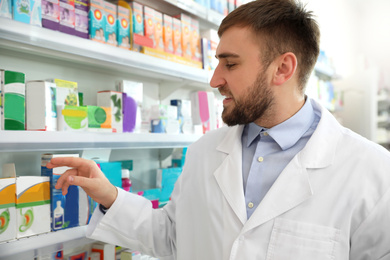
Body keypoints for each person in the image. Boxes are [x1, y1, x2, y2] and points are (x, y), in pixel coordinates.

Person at [47, 0, 390, 259]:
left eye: (230, 63)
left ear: (283, 68)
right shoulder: (204, 152)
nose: (215, 80)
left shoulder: (371, 172)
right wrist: (109, 195)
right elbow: (172, 237)